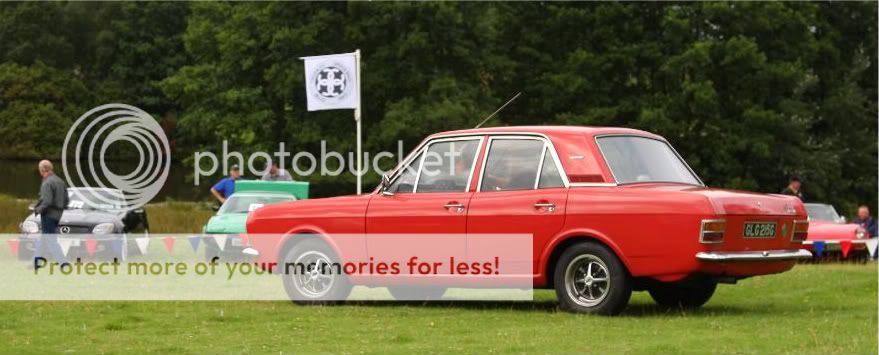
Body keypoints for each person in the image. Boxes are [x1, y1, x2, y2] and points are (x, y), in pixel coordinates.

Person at [33, 160, 69, 264]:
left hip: (48, 215)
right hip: (58, 215)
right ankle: (36, 262)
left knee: (50, 240)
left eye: (40, 169)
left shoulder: (47, 182)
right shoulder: (60, 181)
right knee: (44, 238)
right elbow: (66, 200)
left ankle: (63, 263)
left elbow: (47, 201)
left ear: (43, 169)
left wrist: (37, 210)